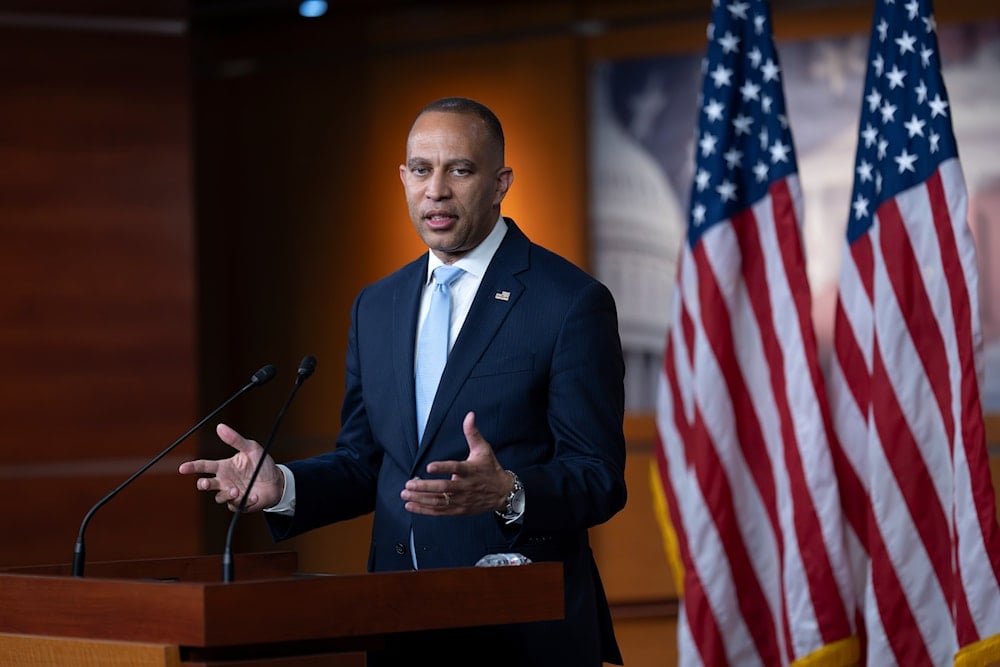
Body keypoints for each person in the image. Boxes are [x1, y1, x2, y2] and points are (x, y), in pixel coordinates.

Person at [179, 96, 627, 667]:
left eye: (459, 169)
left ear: (500, 182)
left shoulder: (568, 302)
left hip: (520, 631)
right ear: (403, 178)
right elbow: (369, 462)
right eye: (421, 169)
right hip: (399, 625)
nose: (435, 189)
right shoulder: (378, 304)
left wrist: (509, 490)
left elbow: (599, 476)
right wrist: (284, 486)